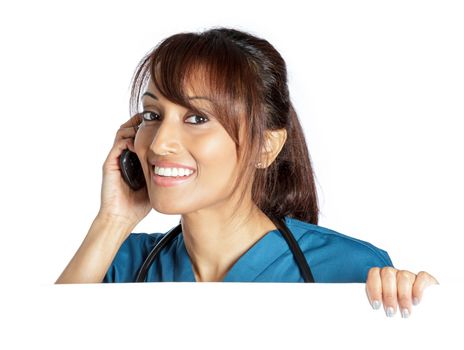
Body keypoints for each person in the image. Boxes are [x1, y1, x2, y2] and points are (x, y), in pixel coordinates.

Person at [56, 27, 438, 318]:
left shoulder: (351, 270)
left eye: (197, 117)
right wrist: (112, 220)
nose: (158, 144)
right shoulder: (120, 264)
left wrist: (426, 311)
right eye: (153, 116)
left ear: (265, 147)